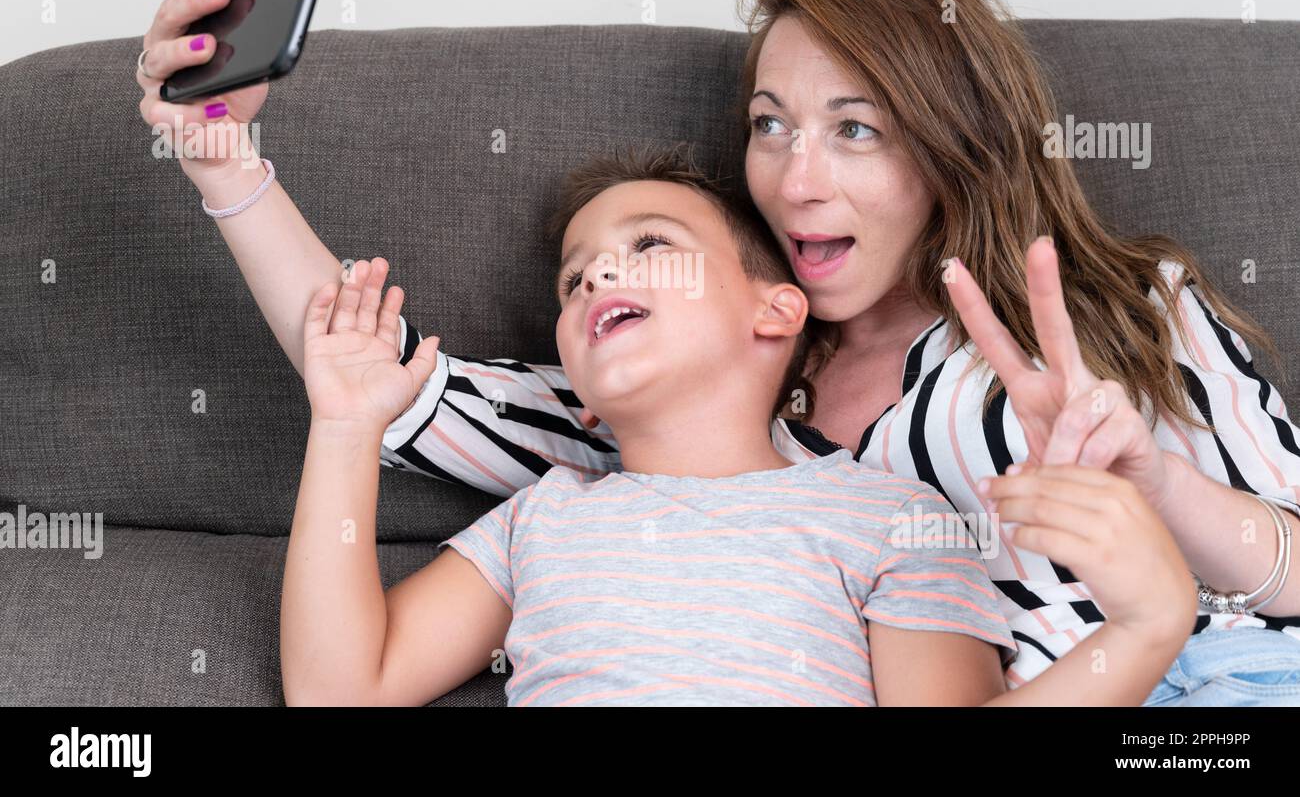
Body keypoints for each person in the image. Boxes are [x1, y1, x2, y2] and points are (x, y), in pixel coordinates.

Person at [137, 0, 1300, 703]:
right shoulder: (651, 409)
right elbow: (378, 373)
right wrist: (225, 166)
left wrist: (1162, 493)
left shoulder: (1117, 312)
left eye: (855, 128)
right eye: (768, 123)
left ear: (956, 144)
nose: (794, 181)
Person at [279, 146, 1194, 705]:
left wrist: (1150, 625)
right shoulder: (541, 520)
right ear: (582, 396)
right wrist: (347, 425)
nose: (597, 276)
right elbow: (338, 687)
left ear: (777, 311)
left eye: (648, 247)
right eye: (573, 278)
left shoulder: (891, 519)